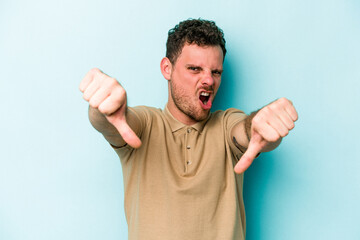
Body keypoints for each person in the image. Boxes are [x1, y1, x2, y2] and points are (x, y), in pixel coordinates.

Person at [79, 19, 298, 240]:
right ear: (167, 68)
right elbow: (113, 123)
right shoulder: (146, 124)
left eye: (216, 72)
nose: (208, 80)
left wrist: (262, 126)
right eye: (195, 69)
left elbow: (246, 131)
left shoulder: (226, 124)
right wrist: (102, 109)